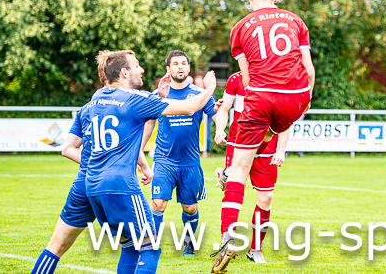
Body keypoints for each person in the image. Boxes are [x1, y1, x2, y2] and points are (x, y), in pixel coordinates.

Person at [211, 0, 315, 273]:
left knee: (238, 171)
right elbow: (308, 69)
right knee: (270, 132)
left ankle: (228, 236)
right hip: (296, 97)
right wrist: (305, 99)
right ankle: (254, 148)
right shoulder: (296, 21)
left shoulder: (240, 28)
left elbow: (247, 79)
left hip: (261, 98)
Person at [85, 50, 217, 274]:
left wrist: (144, 165)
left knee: (130, 245)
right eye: (137, 65)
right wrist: (211, 87)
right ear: (124, 72)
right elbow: (189, 108)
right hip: (126, 181)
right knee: (150, 243)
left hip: (93, 184)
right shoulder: (140, 98)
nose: (142, 69)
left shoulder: (97, 98)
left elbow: (74, 146)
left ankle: (188, 241)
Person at [30, 51, 154, 274]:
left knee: (56, 245)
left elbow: (67, 149)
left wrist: (96, 160)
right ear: (120, 73)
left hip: (84, 182)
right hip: (111, 184)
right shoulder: (126, 104)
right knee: (140, 244)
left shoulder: (89, 107)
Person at [213, 71, 292, 263]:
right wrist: (220, 129)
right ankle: (227, 241)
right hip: (239, 141)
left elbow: (286, 119)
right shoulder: (236, 79)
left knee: (267, 197)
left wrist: (281, 150)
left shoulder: (278, 79)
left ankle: (255, 249)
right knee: (234, 185)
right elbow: (224, 109)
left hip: (267, 145)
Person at [146, 51, 217, 257]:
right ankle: (152, 246)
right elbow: (148, 123)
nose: (180, 67)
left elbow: (218, 114)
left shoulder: (200, 93)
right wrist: (139, 153)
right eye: (175, 63)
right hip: (164, 159)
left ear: (188, 68)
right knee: (158, 203)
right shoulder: (158, 94)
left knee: (190, 207)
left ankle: (188, 243)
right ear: (168, 69)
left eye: (184, 63)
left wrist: (221, 128)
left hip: (190, 161)